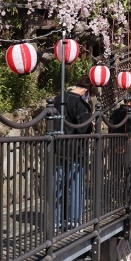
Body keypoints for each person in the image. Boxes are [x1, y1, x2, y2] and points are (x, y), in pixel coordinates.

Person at [52, 75, 95, 231]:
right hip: (75, 151)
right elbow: (83, 128)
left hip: (57, 148)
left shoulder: (58, 99)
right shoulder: (81, 105)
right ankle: (73, 221)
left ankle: (56, 220)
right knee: (75, 186)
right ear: (87, 90)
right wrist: (90, 123)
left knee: (58, 186)